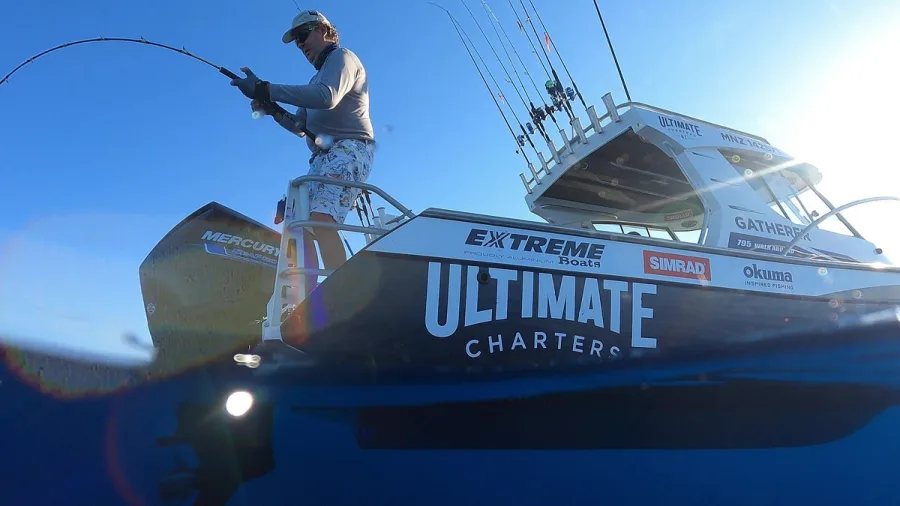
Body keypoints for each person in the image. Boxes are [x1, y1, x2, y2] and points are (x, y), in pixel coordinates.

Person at [230, 9, 375, 273]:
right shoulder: (314, 78)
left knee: (320, 219)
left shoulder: (343, 58)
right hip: (321, 158)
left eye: (303, 35)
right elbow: (299, 128)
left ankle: (339, 292)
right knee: (297, 225)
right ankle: (308, 295)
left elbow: (326, 96)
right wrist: (272, 108)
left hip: (350, 148)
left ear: (323, 29)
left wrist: (265, 88)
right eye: (296, 41)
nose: (300, 45)